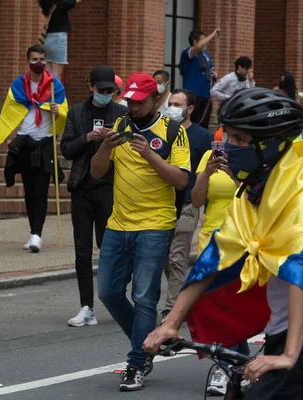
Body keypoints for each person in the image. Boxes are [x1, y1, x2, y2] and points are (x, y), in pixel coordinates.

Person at [143, 88, 303, 399]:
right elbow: (216, 256)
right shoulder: (254, 189)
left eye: (240, 140)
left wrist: (290, 355)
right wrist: (171, 323)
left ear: (269, 145)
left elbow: (301, 270)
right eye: (230, 137)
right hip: (281, 330)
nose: (230, 147)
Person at [90, 72, 191, 391]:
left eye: (139, 102)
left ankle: (137, 363)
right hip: (118, 224)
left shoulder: (173, 131)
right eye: (129, 102)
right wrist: (105, 148)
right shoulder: (119, 127)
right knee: (107, 292)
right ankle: (150, 339)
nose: (132, 107)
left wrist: (150, 154)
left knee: (145, 297)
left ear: (156, 100)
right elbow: (96, 172)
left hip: (155, 225)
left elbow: (181, 181)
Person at [60, 65, 125, 327]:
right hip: (82, 187)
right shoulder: (77, 111)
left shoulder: (120, 112)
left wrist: (113, 139)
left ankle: (116, 296)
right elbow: (66, 149)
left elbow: (130, 143)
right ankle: (86, 305)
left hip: (111, 187)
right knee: (82, 249)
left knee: (109, 245)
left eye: (110, 90)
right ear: (91, 87)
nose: (106, 94)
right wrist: (87, 137)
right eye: (101, 90)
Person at [190, 123, 250, 396]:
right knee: (215, 304)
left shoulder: (251, 157)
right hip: (210, 239)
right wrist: (208, 173)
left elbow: (256, 198)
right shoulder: (209, 156)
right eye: (226, 137)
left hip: (241, 238)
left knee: (233, 306)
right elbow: (197, 200)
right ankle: (232, 365)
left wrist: (234, 176)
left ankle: (228, 366)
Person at [0, 45, 68, 253]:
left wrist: (57, 112)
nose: (39, 63)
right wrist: (9, 137)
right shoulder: (19, 85)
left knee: (41, 189)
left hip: (44, 142)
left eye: (42, 59)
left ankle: (37, 234)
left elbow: (64, 111)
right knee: (29, 190)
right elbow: (9, 110)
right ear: (28, 61)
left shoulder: (55, 86)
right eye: (35, 59)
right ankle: (33, 231)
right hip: (25, 142)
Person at [161, 89, 212, 320]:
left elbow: (207, 171)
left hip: (188, 202)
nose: (172, 107)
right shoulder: (162, 131)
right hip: (161, 202)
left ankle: (172, 309)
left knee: (178, 255)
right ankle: (183, 298)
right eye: (170, 103)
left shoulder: (202, 137)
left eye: (177, 104)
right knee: (163, 256)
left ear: (190, 109)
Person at [180, 29, 219, 129]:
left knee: (204, 124)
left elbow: (210, 68)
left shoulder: (206, 55)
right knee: (194, 123)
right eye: (203, 40)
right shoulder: (188, 52)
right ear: (195, 41)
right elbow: (197, 48)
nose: (206, 42)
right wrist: (212, 35)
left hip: (205, 94)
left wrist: (213, 73)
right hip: (193, 94)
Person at [38, 0, 82, 80]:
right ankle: (54, 92)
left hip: (47, 39)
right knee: (56, 75)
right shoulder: (61, 2)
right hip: (58, 39)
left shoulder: (46, 3)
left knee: (48, 75)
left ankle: (48, 92)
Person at [275, 72, 303, 139]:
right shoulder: (277, 91)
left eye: (283, 79)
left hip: (294, 114)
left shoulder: (294, 93)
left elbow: (297, 106)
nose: (282, 81)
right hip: (283, 114)